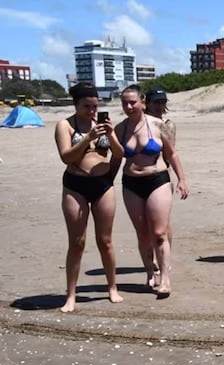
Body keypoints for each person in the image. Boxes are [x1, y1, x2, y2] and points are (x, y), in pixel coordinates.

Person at [54, 82, 125, 312]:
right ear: (76, 105)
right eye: (87, 106)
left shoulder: (101, 123)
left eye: (95, 106)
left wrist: (111, 135)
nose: (92, 111)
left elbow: (119, 154)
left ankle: (112, 287)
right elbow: (66, 157)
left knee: (105, 241)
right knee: (77, 242)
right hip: (75, 185)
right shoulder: (65, 125)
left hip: (102, 184)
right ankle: (71, 295)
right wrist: (87, 138)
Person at [116, 85, 189, 297]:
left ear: (141, 102)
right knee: (143, 234)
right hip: (131, 183)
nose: (129, 106)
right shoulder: (120, 129)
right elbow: (112, 157)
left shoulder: (158, 125)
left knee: (159, 233)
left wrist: (182, 179)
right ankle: (150, 272)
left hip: (157, 179)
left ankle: (165, 278)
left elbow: (172, 154)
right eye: (125, 103)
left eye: (133, 102)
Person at [143, 86, 190, 281]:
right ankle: (150, 262)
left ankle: (164, 259)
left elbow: (171, 152)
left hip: (162, 175)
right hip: (141, 178)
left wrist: (179, 178)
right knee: (145, 225)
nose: (160, 107)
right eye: (156, 103)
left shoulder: (167, 125)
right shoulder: (139, 123)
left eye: (163, 103)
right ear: (147, 103)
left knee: (163, 223)